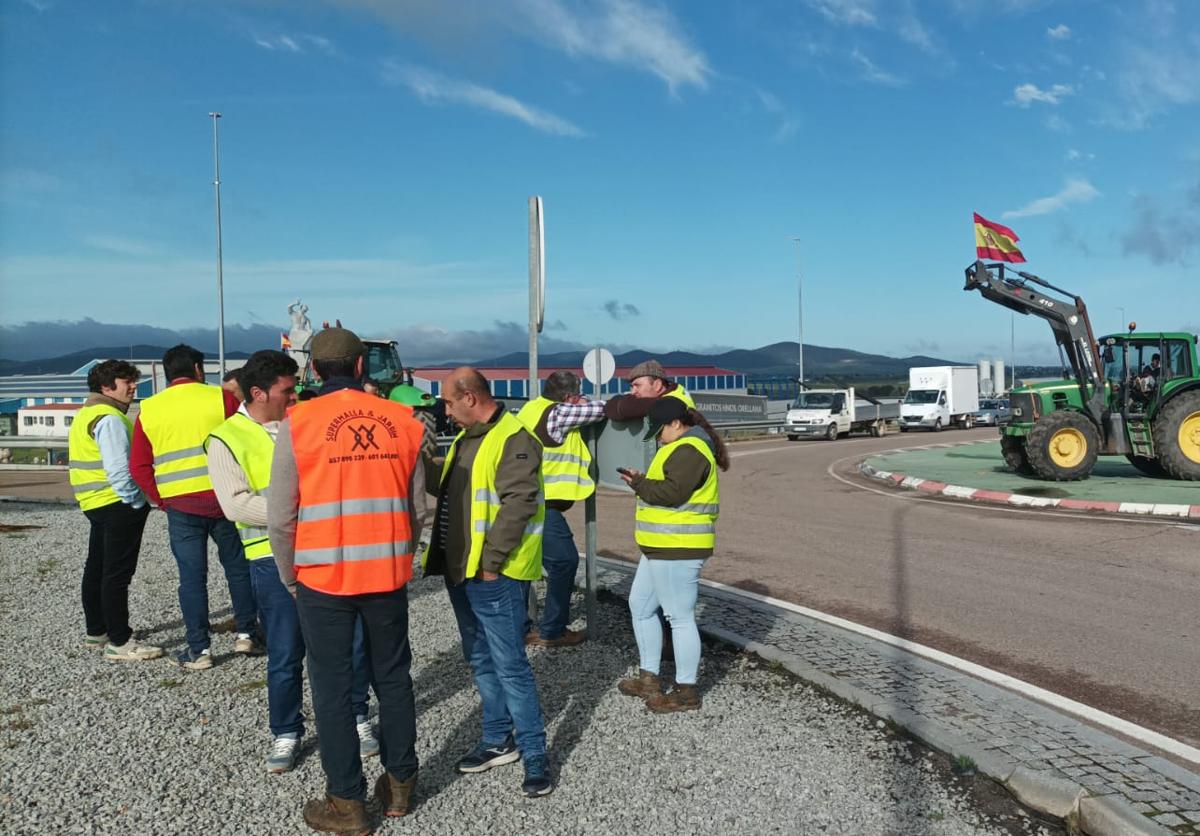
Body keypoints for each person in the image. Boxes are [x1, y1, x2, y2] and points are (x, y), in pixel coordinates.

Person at [268, 328, 426, 832]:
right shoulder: (405, 421)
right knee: (393, 676)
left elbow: (280, 516)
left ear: (314, 370)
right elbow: (417, 507)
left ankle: (347, 803)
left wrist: (291, 576)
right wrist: (401, 552)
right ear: (361, 367)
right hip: (387, 572)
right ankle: (400, 784)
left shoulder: (299, 423)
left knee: (333, 688)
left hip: (322, 578)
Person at [425, 367, 552, 797]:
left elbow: (518, 504)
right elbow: (446, 489)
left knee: (511, 666)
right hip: (462, 571)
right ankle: (498, 740)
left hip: (492, 574)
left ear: (470, 397)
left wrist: (493, 563)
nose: (444, 410)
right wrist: (420, 457)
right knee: (480, 659)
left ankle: (536, 755)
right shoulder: (467, 438)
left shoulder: (514, 438)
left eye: (447, 402)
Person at [130, 344, 260, 670]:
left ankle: (199, 650)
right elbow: (245, 441)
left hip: (181, 507)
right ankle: (247, 634)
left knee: (191, 578)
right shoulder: (222, 399)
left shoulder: (150, 409)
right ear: (199, 370)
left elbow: (139, 466)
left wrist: (162, 499)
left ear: (166, 372)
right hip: (224, 501)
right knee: (238, 569)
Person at [617, 398, 728, 713]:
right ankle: (649, 678)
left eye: (659, 430)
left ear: (677, 424)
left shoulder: (690, 450)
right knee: (640, 606)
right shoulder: (679, 447)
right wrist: (641, 481)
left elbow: (672, 493)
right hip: (661, 546)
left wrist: (639, 483)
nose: (656, 436)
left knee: (679, 617)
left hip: (678, 546)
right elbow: (669, 488)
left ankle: (686, 692)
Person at [68, 359, 161, 661]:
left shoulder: (86, 414)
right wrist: (136, 501)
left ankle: (97, 632)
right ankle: (120, 641)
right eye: (127, 382)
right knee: (117, 574)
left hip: (94, 502)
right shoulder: (109, 418)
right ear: (107, 387)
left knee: (96, 568)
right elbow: (119, 470)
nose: (134, 387)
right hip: (116, 504)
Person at [516, 370, 605, 647]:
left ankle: (517, 628)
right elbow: (605, 408)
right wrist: (583, 403)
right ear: (568, 397)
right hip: (541, 503)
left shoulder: (532, 408)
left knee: (522, 565)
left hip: (522, 498)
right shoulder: (559, 414)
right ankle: (553, 630)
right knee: (564, 561)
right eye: (577, 394)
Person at [603, 359, 694, 423]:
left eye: (637, 385)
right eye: (632, 386)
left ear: (657, 385)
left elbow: (626, 407)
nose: (633, 392)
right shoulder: (676, 393)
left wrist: (614, 403)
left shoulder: (672, 401)